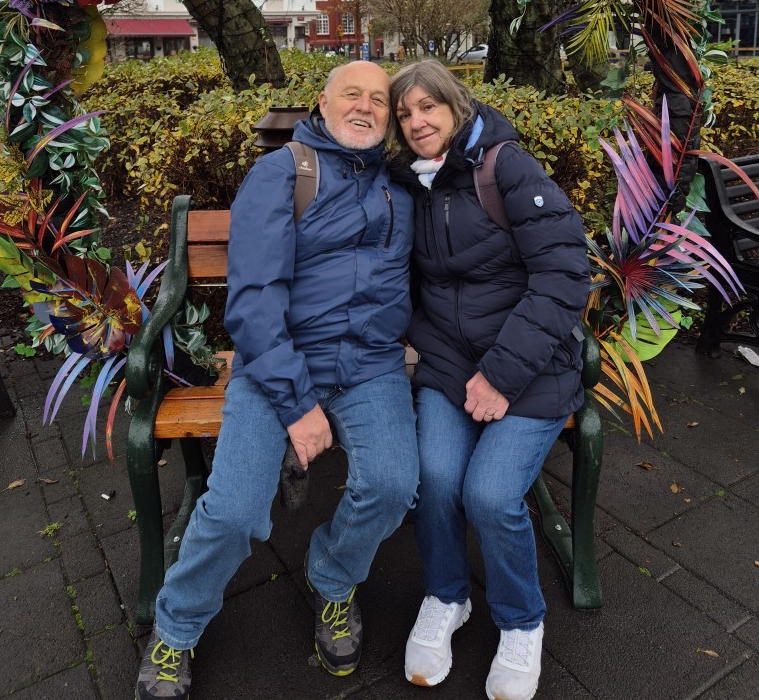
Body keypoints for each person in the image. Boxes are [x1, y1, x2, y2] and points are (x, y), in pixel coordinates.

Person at [136, 61, 419, 700]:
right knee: (235, 509)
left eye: (379, 99)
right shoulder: (283, 173)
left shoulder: (401, 185)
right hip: (277, 364)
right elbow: (255, 304)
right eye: (352, 94)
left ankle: (333, 577)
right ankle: (175, 628)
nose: (366, 107)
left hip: (371, 366)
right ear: (323, 102)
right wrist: (298, 408)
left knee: (394, 485)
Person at [388, 61, 591, 700]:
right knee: (434, 478)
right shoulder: (409, 183)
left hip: (531, 368)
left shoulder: (504, 168)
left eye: (428, 107)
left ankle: (521, 619)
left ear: (456, 105)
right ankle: (447, 596)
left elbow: (564, 276)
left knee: (490, 495)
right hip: (450, 366)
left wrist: (500, 375)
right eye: (405, 113)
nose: (417, 122)